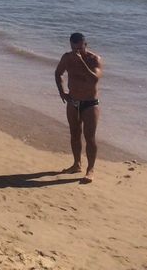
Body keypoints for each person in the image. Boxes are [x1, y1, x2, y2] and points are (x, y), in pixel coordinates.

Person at [55, 32, 103, 182]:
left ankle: (90, 169)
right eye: (73, 48)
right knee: (74, 133)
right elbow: (58, 73)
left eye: (79, 48)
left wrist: (81, 61)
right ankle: (77, 164)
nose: (76, 51)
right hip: (73, 102)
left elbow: (93, 79)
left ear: (85, 45)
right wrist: (62, 92)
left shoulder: (94, 59)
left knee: (90, 137)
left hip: (90, 104)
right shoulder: (67, 58)